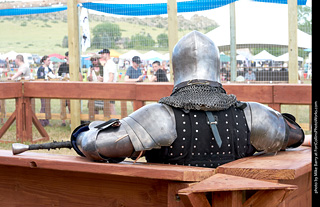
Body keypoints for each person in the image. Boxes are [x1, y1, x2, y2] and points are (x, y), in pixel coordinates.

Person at [23, 31, 305, 168]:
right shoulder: (252, 115)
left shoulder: (159, 116)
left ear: (176, 68)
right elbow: (295, 134)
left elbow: (101, 145)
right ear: (216, 66)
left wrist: (83, 132)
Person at [98, 49, 117, 115]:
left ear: (107, 54)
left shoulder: (110, 63)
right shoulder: (107, 64)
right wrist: (102, 79)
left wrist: (106, 87)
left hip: (110, 88)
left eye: (102, 54)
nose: (101, 55)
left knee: (111, 106)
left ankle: (115, 122)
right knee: (108, 106)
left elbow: (111, 77)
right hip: (108, 87)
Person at [37, 55, 53, 126]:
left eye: (50, 60)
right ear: (44, 61)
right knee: (43, 105)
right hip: (42, 89)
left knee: (47, 105)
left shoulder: (49, 69)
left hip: (49, 89)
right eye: (48, 60)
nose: (49, 61)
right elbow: (40, 78)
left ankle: (47, 121)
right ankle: (41, 121)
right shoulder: (41, 69)